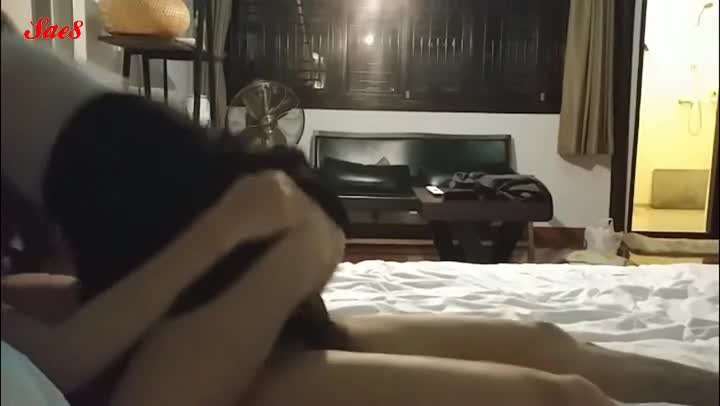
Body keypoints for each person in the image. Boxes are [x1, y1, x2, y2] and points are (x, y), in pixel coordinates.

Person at [1, 29, 717, 406]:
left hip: (213, 290)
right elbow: (57, 361)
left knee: (545, 344)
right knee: (559, 396)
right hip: (188, 335)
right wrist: (230, 230)